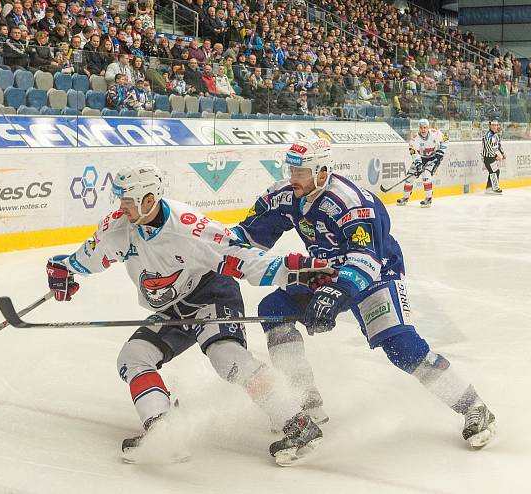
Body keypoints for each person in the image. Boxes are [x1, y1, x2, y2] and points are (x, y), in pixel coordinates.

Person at [44, 164, 334, 466]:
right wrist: (65, 268)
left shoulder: (188, 227)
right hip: (171, 308)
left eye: (128, 201)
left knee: (227, 358)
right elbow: (90, 256)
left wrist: (295, 273)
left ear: (148, 199)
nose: (122, 208)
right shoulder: (118, 226)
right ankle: (162, 430)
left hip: (211, 295)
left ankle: (299, 425)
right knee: (133, 356)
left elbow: (242, 257)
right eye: (121, 200)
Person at [232, 139, 497, 451]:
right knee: (274, 308)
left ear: (322, 171)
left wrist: (335, 294)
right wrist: (211, 254)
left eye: (301, 172)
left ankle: (473, 406)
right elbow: (243, 236)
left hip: (376, 272)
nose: (293, 177)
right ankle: (306, 399)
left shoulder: (351, 201)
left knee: (402, 347)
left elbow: (365, 260)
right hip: (327, 268)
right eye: (291, 169)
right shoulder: (285, 195)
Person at [397, 118, 448, 208]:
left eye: (425, 127)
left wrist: (441, 152)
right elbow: (413, 151)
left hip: (433, 158)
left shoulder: (435, 133)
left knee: (426, 174)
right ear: (419, 128)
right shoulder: (415, 138)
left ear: (428, 127)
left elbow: (446, 139)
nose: (423, 130)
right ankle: (405, 197)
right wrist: (418, 163)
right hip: (421, 158)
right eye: (421, 128)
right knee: (410, 177)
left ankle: (428, 198)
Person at [481, 120, 505, 194]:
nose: (495, 127)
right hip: (488, 158)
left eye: (496, 125)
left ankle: (489, 188)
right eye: (493, 125)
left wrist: (502, 153)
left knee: (493, 171)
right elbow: (488, 148)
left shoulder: (497, 134)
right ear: (490, 126)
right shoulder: (487, 135)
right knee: (495, 171)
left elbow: (498, 145)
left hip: (492, 157)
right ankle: (494, 188)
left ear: (498, 126)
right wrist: (495, 156)